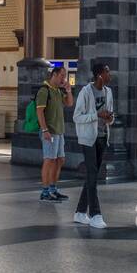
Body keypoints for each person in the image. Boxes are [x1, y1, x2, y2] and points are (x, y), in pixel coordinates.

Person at [72, 62, 114, 228]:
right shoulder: (86, 92)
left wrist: (110, 118)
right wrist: (96, 115)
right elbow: (77, 117)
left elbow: (110, 114)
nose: (110, 75)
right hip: (88, 139)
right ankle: (95, 214)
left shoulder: (108, 92)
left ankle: (80, 212)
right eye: (107, 72)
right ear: (99, 75)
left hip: (103, 137)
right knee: (92, 174)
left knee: (92, 175)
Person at [35, 65, 74, 202]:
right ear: (55, 75)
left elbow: (69, 103)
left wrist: (68, 91)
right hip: (49, 131)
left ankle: (53, 188)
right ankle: (45, 192)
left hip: (59, 132)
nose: (64, 78)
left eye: (65, 76)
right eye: (62, 75)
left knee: (59, 160)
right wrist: (45, 130)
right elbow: (39, 112)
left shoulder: (57, 91)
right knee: (49, 160)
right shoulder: (44, 90)